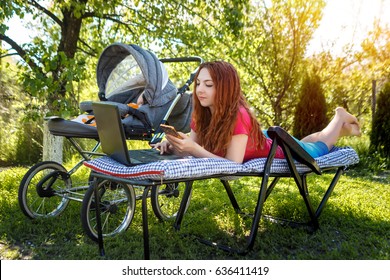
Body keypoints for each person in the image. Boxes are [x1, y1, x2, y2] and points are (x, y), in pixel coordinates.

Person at [153, 61, 361, 164]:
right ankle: (342, 130)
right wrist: (172, 144)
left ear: (226, 87)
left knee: (317, 148)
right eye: (198, 83)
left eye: (208, 84)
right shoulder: (202, 113)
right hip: (255, 139)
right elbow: (195, 144)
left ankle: (339, 117)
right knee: (305, 142)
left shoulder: (238, 115)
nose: (199, 90)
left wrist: (192, 148)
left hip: (280, 150)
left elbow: (233, 168)